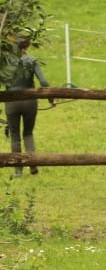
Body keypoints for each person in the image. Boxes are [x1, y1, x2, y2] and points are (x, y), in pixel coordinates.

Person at [5, 34, 55, 177]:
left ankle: (18, 170)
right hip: (29, 102)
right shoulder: (32, 60)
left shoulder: (6, 61)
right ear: (27, 46)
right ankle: (32, 164)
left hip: (11, 102)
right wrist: (51, 100)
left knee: (15, 136)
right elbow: (44, 83)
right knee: (28, 133)